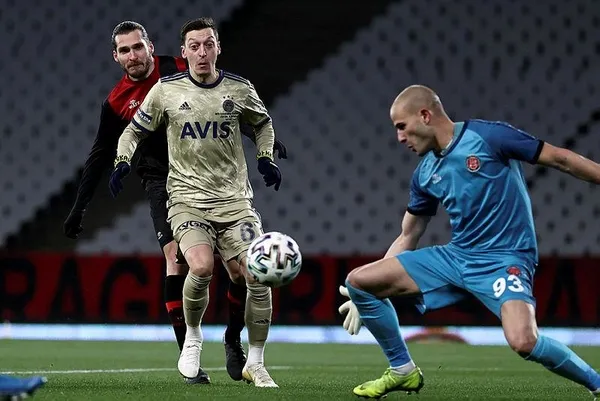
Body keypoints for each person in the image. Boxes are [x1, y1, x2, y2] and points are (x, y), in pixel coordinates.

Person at [340, 85, 600, 399]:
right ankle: (403, 370)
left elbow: (560, 158)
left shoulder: (489, 137)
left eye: (402, 127)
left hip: (505, 259)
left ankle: (596, 383)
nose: (399, 138)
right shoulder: (424, 174)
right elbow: (409, 235)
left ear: (425, 116)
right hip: (457, 258)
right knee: (359, 281)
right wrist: (365, 296)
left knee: (524, 341)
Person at [62, 20, 286, 384]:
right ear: (116, 57)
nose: (133, 56)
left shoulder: (178, 68)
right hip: (164, 180)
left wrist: (265, 146)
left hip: (223, 185)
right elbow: (101, 152)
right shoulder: (118, 100)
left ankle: (233, 340)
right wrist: (80, 206)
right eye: (124, 50)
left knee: (240, 273)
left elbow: (222, 105)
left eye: (138, 47)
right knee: (180, 259)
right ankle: (189, 350)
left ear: (150, 47)